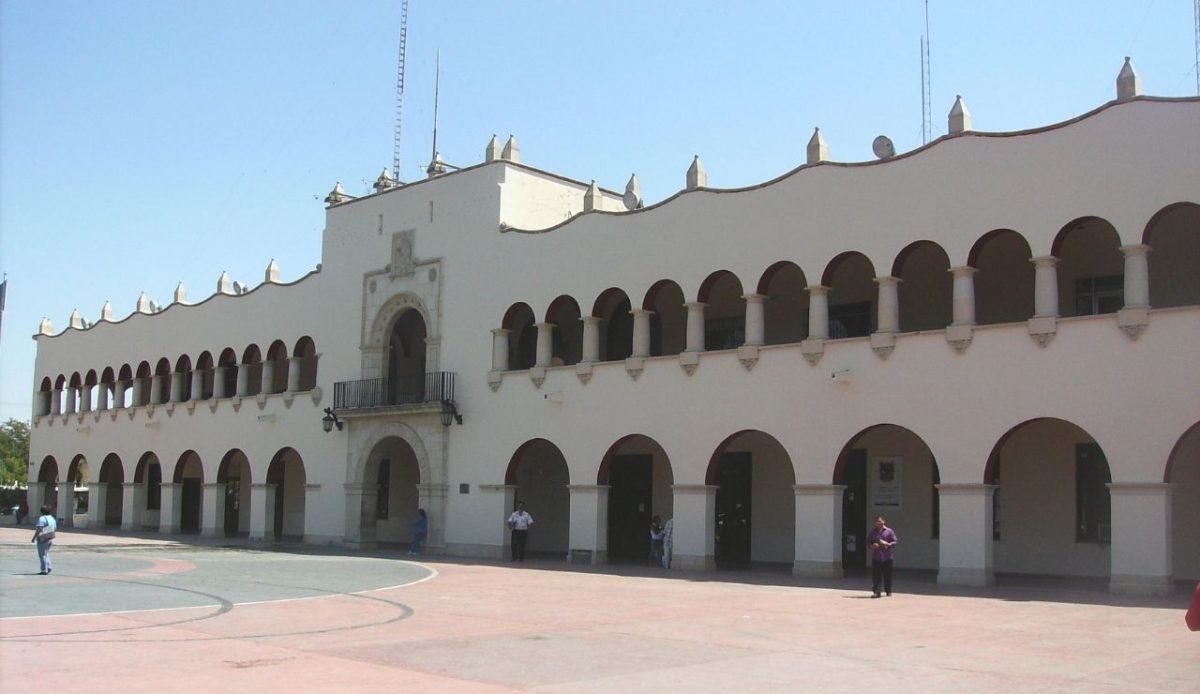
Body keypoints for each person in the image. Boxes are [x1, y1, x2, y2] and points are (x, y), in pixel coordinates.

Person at [867, 515, 899, 598]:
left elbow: (895, 541)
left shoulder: (889, 531)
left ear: (883, 521)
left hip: (887, 557)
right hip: (876, 557)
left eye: (880, 521)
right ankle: (876, 592)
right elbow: (868, 543)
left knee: (887, 575)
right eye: (876, 521)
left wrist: (888, 544)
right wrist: (872, 545)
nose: (878, 523)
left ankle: (888, 591)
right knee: (876, 576)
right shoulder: (872, 532)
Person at [31, 505, 57, 575]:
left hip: (43, 538)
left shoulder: (42, 518)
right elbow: (54, 528)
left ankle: (44, 570)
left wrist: (34, 538)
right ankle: (49, 566)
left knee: (42, 555)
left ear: (42, 511)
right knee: (46, 553)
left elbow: (39, 529)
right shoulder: (52, 518)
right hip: (50, 537)